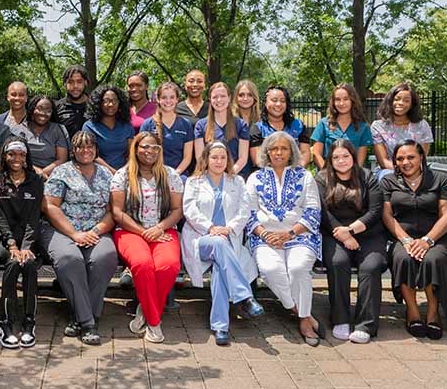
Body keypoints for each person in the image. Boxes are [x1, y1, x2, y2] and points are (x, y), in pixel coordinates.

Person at [181, 141, 262, 345]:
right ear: (206, 159)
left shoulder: (237, 182)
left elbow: (245, 211)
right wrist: (210, 228)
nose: (219, 161)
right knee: (218, 244)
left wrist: (229, 228)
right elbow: (190, 211)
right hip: (201, 238)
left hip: (228, 239)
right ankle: (244, 297)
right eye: (214, 157)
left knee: (220, 268)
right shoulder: (194, 182)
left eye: (223, 157)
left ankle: (220, 327)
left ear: (228, 160)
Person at [246, 131, 322, 346]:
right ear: (267, 152)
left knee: (298, 268)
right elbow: (248, 213)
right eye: (274, 148)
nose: (278, 153)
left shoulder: (304, 176)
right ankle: (299, 311)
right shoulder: (255, 178)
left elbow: (313, 211)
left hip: (300, 235)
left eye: (284, 148)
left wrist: (289, 233)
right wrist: (265, 233)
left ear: (292, 152)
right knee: (271, 269)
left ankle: (305, 320)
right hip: (265, 238)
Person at [41, 130, 118, 345]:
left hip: (96, 231)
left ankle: (79, 316)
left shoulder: (106, 174)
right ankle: (88, 322)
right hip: (62, 230)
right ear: (73, 150)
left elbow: (113, 210)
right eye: (80, 147)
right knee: (70, 259)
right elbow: (50, 206)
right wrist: (75, 234)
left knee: (107, 256)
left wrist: (95, 232)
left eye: (90, 146)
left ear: (96, 149)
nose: (86, 150)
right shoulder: (61, 172)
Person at [381, 140, 447, 339]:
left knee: (433, 259)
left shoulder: (440, 180)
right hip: (402, 238)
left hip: (437, 237)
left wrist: (428, 240)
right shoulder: (388, 182)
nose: (405, 162)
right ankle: (413, 311)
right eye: (400, 158)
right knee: (403, 258)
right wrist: (406, 240)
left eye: (411, 157)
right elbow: (386, 216)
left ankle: (433, 313)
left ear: (421, 158)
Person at [110, 132, 184, 343]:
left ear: (160, 150)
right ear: (135, 149)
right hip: (130, 230)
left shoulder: (171, 175)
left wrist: (159, 228)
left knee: (168, 265)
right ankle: (154, 322)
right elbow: (117, 212)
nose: (149, 151)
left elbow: (178, 210)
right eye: (144, 147)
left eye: (154, 147)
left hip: (163, 229)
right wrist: (143, 232)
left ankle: (145, 309)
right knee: (142, 264)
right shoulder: (122, 176)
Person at [315, 139, 386, 343]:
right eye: (336, 157)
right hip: (334, 233)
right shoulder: (321, 178)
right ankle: (340, 318)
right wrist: (344, 235)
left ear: (353, 157)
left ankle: (366, 324)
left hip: (368, 233)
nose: (341, 160)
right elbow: (323, 213)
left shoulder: (367, 176)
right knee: (338, 262)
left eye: (345, 156)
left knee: (371, 267)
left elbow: (375, 211)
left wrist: (351, 230)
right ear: (330, 159)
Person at [0, 137, 44, 349]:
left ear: (26, 157)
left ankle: (29, 321)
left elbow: (34, 218)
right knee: (12, 263)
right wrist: (12, 245)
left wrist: (26, 247)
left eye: (21, 154)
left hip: (29, 240)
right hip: (6, 241)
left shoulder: (35, 181)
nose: (16, 158)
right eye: (12, 154)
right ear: (5, 156)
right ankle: (7, 322)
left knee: (29, 264)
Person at [371, 82, 433, 178]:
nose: (400, 103)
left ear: (412, 105)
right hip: (389, 171)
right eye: (397, 99)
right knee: (388, 177)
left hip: (416, 171)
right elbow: (383, 162)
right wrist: (403, 172)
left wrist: (412, 172)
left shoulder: (422, 125)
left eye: (406, 100)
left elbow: (421, 158)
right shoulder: (378, 126)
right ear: (390, 101)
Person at [311, 83, 372, 169]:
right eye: (337, 99)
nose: (341, 103)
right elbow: (316, 154)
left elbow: (360, 161)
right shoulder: (324, 123)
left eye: (346, 99)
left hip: (352, 175)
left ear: (352, 100)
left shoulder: (363, 127)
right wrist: (327, 174)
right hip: (327, 174)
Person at [249, 85, 311, 168]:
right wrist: (277, 173)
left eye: (282, 101)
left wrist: (296, 171)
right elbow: (257, 159)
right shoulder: (257, 128)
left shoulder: (298, 126)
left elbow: (305, 152)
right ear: (265, 103)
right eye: (274, 100)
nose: (278, 104)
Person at [194, 82, 250, 173]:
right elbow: (200, 158)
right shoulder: (200, 125)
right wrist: (214, 176)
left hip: (234, 175)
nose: (219, 100)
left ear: (229, 98)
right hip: (209, 176)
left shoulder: (241, 124)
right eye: (215, 97)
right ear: (210, 100)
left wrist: (228, 175)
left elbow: (243, 159)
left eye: (223, 96)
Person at [140, 81, 193, 176]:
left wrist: (175, 175)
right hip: (153, 175)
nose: (168, 101)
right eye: (164, 97)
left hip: (179, 175)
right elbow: (142, 154)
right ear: (158, 99)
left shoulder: (185, 124)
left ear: (177, 99)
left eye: (172, 97)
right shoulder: (148, 124)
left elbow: (187, 157)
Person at [10, 95, 69, 178]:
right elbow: (16, 157)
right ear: (32, 109)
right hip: (24, 174)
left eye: (48, 110)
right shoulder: (20, 130)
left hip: (53, 175)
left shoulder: (58, 130)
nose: (43, 113)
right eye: (40, 109)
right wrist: (37, 172)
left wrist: (42, 174)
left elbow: (62, 159)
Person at [82, 86, 135, 174]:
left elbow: (131, 153)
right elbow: (92, 155)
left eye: (114, 100)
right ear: (99, 102)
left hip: (125, 173)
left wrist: (124, 171)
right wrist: (114, 172)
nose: (111, 104)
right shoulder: (89, 126)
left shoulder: (126, 125)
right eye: (106, 100)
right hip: (98, 173)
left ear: (120, 103)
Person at [231, 80, 261, 178]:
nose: (245, 98)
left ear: (254, 97)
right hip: (235, 170)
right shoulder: (229, 120)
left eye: (249, 95)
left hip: (257, 171)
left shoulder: (261, 121)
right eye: (241, 95)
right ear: (236, 97)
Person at [55, 64, 90, 139]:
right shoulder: (56, 107)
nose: (75, 86)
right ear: (64, 84)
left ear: (86, 82)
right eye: (70, 82)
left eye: (79, 82)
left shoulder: (95, 106)